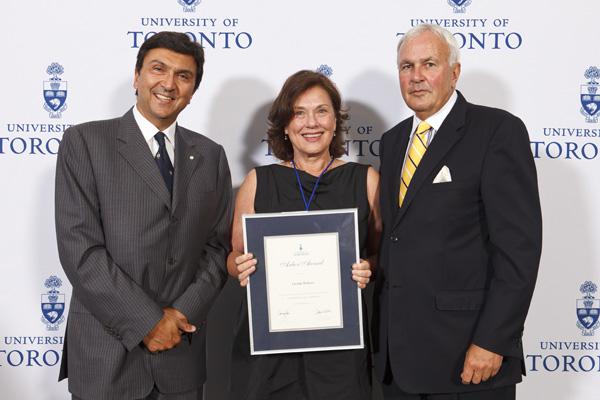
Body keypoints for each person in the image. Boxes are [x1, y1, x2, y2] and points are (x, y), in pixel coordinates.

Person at [54, 31, 232, 400]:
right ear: (136, 77)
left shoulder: (211, 156)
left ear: (194, 90)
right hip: (107, 357)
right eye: (158, 69)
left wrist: (179, 316)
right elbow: (80, 250)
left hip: (180, 356)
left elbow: (217, 248)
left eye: (183, 76)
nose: (169, 83)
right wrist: (149, 322)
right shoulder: (85, 143)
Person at [374, 24, 542, 400]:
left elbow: (519, 251)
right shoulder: (393, 141)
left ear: (454, 72)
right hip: (399, 362)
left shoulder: (497, 131)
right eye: (406, 66)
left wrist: (493, 341)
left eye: (428, 64)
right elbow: (396, 240)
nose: (416, 77)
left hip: (468, 360)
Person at [229, 70, 381, 400]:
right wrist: (238, 266)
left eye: (321, 111)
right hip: (270, 352)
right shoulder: (258, 182)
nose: (311, 123)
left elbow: (382, 256)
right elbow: (233, 256)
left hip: (340, 352)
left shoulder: (366, 181)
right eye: (299, 113)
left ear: (335, 121)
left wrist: (368, 266)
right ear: (285, 124)